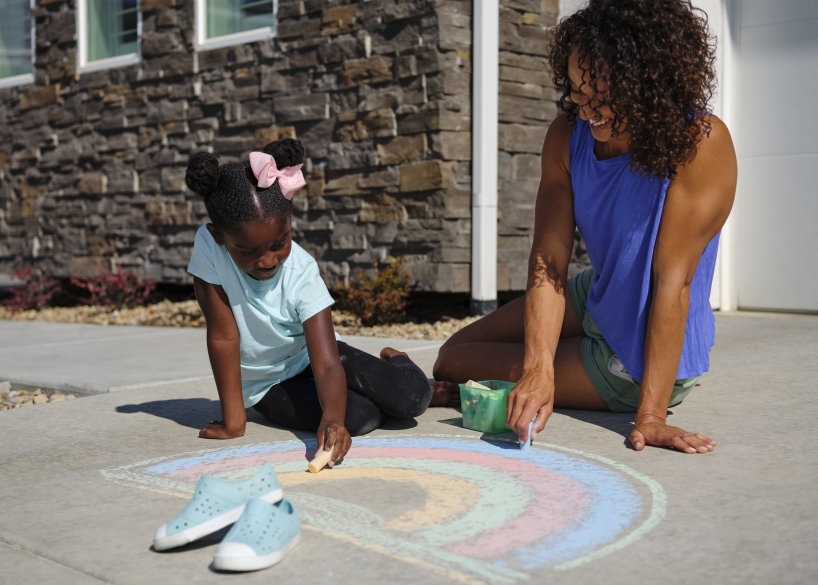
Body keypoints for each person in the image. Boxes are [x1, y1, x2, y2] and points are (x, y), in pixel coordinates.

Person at [433, 0, 737, 454]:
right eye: (577, 92)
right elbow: (549, 258)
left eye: (603, 95)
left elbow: (673, 283)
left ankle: (478, 387)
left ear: (650, 83)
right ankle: (486, 382)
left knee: (458, 366)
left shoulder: (700, 145)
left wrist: (651, 416)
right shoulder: (566, 137)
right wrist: (538, 367)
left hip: (635, 354)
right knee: (450, 354)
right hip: (599, 291)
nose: (588, 110)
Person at [184, 138, 447, 466]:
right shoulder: (209, 246)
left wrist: (331, 418)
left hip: (310, 358)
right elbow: (224, 335)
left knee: (413, 398)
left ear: (290, 222)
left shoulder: (302, 271)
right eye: (249, 251)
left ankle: (396, 360)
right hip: (270, 382)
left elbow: (325, 362)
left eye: (279, 243)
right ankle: (376, 391)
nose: (267, 261)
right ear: (219, 236)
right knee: (361, 417)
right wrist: (234, 422)